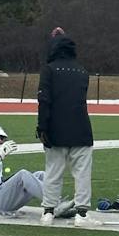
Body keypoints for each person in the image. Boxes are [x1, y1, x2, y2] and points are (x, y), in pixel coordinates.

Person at [37, 29, 94, 225]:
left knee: (53, 172)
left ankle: (48, 212)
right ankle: (82, 214)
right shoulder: (82, 72)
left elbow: (44, 100)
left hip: (56, 129)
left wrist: (42, 127)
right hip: (81, 128)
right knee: (82, 173)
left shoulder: (50, 70)